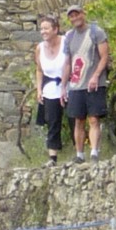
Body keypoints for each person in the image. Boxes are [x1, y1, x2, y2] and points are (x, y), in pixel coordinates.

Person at [59, 4, 110, 164]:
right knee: (78, 120)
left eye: (77, 14)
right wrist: (63, 87)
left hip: (94, 83)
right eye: (71, 16)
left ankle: (94, 152)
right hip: (76, 84)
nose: (75, 18)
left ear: (83, 14)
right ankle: (79, 154)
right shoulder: (69, 37)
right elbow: (67, 63)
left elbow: (104, 56)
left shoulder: (96, 32)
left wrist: (95, 76)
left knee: (94, 119)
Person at [35, 16, 67, 166]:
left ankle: (80, 153)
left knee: (76, 118)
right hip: (50, 89)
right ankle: (52, 158)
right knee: (52, 121)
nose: (43, 32)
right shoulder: (40, 48)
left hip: (69, 85)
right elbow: (39, 70)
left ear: (55, 29)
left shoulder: (66, 42)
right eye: (41, 29)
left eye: (46, 28)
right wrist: (39, 89)